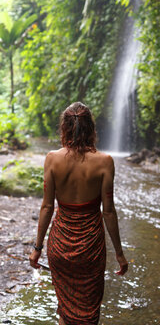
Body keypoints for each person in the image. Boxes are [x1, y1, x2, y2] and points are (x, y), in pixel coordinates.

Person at [29, 102, 128, 325]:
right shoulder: (105, 162)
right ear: (91, 128)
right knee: (89, 310)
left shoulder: (52, 158)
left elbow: (47, 207)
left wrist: (37, 248)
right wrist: (119, 254)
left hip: (60, 245)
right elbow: (109, 212)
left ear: (64, 128)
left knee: (65, 307)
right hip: (90, 247)